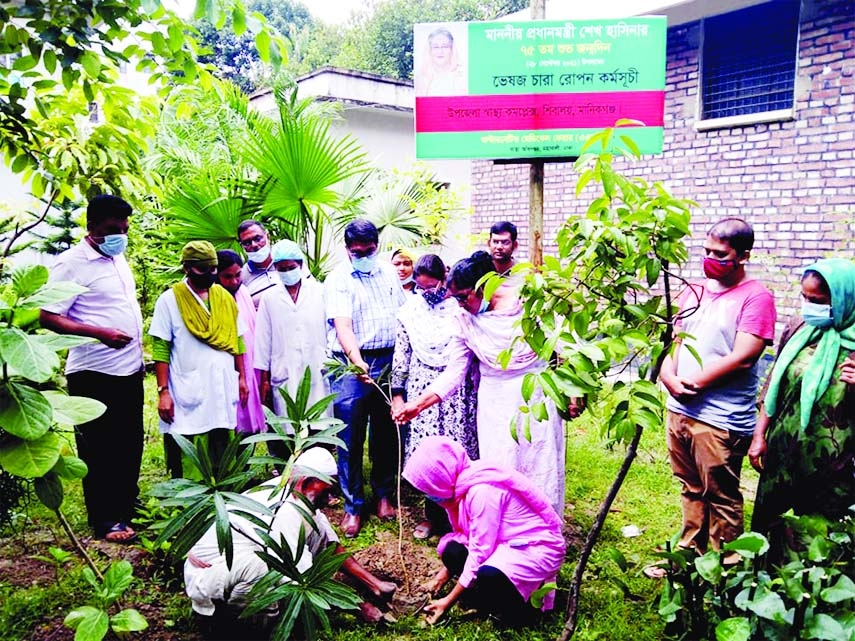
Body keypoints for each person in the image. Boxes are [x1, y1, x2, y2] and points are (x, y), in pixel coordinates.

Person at [394, 251, 566, 515]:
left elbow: (561, 345)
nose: (460, 304)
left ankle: (541, 524)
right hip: (494, 400)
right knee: (500, 463)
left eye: (463, 296)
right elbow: (455, 371)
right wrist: (417, 405)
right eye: (456, 299)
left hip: (534, 395)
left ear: (483, 286)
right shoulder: (464, 319)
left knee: (537, 459)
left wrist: (572, 393)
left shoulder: (527, 302)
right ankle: (505, 525)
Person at [658, 217, 776, 558]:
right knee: (691, 489)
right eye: (706, 251)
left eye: (720, 254)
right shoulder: (694, 290)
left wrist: (691, 384)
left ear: (743, 256)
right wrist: (669, 378)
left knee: (721, 495)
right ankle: (688, 557)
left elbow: (744, 356)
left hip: (719, 418)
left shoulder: (756, 298)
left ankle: (722, 568)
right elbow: (674, 342)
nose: (710, 258)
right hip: (679, 409)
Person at [185, 448, 397, 629]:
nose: (331, 498)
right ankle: (246, 626)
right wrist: (360, 607)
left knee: (316, 531)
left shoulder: (295, 492)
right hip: (209, 577)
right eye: (327, 490)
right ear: (306, 483)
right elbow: (301, 574)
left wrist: (375, 584)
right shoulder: (285, 510)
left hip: (235, 566)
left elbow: (329, 544)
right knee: (266, 569)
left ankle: (373, 588)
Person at [39, 194, 144, 543]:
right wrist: (98, 333)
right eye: (115, 228)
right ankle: (105, 519)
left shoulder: (118, 256)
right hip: (94, 371)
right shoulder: (71, 263)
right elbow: (48, 315)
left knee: (130, 443)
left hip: (128, 368)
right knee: (100, 447)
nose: (122, 234)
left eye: (125, 227)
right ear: (93, 226)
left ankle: (127, 507)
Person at [748, 259, 855, 558]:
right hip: (784, 450)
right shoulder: (799, 327)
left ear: (844, 299)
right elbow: (774, 385)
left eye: (818, 301)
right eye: (805, 298)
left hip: (835, 462)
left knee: (823, 536)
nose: (809, 307)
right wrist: (759, 435)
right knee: (774, 526)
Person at [402, 436, 565, 627]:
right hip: (503, 541)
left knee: (489, 575)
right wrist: (442, 576)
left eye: (429, 488)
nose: (428, 495)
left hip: (534, 547)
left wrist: (448, 601)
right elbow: (472, 536)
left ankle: (522, 611)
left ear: (442, 478)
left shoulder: (482, 492)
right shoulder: (464, 481)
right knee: (452, 551)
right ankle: (488, 596)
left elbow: (480, 549)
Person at [325, 219, 407, 537]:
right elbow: (343, 326)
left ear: (377, 246)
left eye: (368, 250)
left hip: (388, 358)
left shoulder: (387, 273)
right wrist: (357, 362)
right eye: (356, 252)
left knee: (386, 431)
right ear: (347, 250)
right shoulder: (338, 280)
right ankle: (353, 506)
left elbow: (402, 314)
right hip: (351, 363)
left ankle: (383, 495)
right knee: (349, 437)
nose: (362, 256)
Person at [391, 254, 478, 540]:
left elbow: (466, 355)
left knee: (457, 452)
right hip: (421, 389)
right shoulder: (409, 311)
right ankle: (433, 516)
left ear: (444, 279)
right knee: (429, 454)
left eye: (432, 288)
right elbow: (401, 356)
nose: (426, 294)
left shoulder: (460, 307)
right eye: (420, 288)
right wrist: (398, 396)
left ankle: (462, 516)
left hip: (456, 390)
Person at [149, 241, 249, 479]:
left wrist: (243, 377)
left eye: (213, 269)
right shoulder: (170, 300)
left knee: (222, 435)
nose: (210, 275)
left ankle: (224, 493)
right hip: (187, 384)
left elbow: (238, 340)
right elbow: (161, 347)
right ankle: (192, 500)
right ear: (186, 268)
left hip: (223, 381)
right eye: (203, 270)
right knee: (190, 439)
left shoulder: (223, 297)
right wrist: (163, 391)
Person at [255, 239, 329, 420]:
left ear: (300, 264)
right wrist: (264, 378)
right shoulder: (270, 298)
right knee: (291, 425)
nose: (287, 272)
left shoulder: (320, 291)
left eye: (290, 267)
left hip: (317, 364)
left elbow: (331, 330)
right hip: (284, 368)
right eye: (281, 269)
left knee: (321, 423)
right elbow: (263, 340)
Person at [217, 250, 265, 434]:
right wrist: (240, 376)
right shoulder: (216, 297)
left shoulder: (243, 291)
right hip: (231, 370)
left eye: (238, 275)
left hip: (251, 366)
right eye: (227, 277)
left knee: (251, 425)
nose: (234, 281)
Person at [238, 219, 280, 308]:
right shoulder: (241, 277)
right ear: (241, 246)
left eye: (257, 239)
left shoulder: (288, 262)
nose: (254, 245)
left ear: (267, 236)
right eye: (247, 243)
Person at [415, 27, 467, 97]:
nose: (440, 51)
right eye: (436, 47)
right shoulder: (422, 78)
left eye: (445, 47)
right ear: (430, 50)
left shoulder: (463, 76)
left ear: (452, 49)